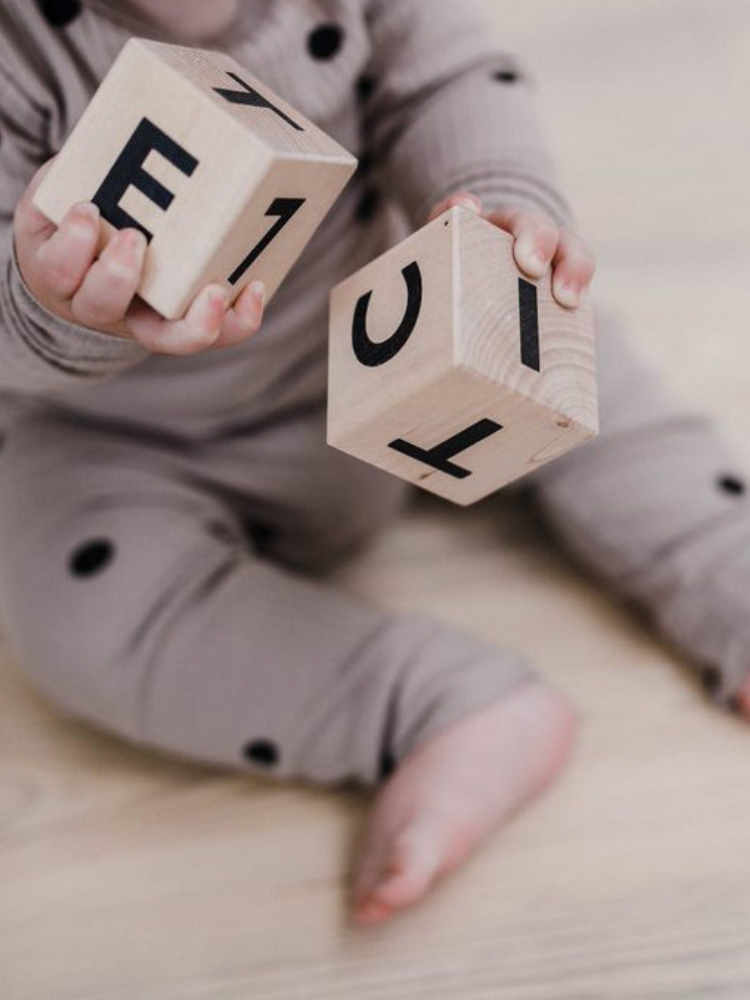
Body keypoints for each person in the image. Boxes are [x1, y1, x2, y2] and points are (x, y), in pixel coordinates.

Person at [1, 0, 747, 927]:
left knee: (578, 368)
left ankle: (724, 565)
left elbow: (449, 81)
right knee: (72, 610)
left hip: (390, 327)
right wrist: (52, 303)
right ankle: (424, 701)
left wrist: (502, 200)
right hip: (127, 436)